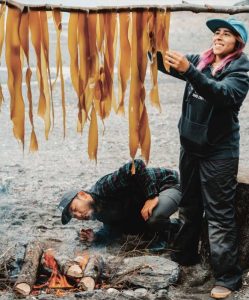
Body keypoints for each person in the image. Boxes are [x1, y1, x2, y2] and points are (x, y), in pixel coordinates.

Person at [156, 17, 249, 299]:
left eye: (226, 34)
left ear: (237, 43)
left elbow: (223, 95)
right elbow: (161, 60)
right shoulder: (202, 60)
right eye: (216, 33)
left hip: (219, 152)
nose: (218, 37)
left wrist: (191, 72)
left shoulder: (240, 68)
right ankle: (184, 257)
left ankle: (228, 278)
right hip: (190, 146)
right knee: (189, 204)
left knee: (219, 215)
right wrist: (148, 38)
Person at [58, 159, 181, 249]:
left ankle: (166, 238)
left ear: (82, 195)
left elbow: (135, 165)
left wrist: (151, 196)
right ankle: (176, 227)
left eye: (74, 209)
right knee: (129, 228)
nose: (78, 215)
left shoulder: (104, 187)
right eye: (74, 216)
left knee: (154, 217)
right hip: (145, 201)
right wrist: (96, 237)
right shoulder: (98, 212)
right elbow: (113, 229)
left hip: (168, 185)